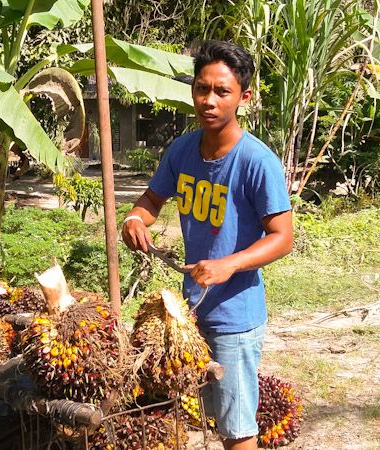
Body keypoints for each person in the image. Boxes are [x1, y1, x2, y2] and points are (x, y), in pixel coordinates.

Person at [121, 40, 293, 450]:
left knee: (236, 430)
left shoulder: (256, 161)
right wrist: (134, 219)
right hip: (189, 312)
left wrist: (228, 265)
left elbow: (283, 238)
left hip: (235, 316)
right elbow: (151, 200)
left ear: (244, 97)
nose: (209, 100)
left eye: (222, 91)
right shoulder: (181, 150)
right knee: (205, 418)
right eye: (202, 89)